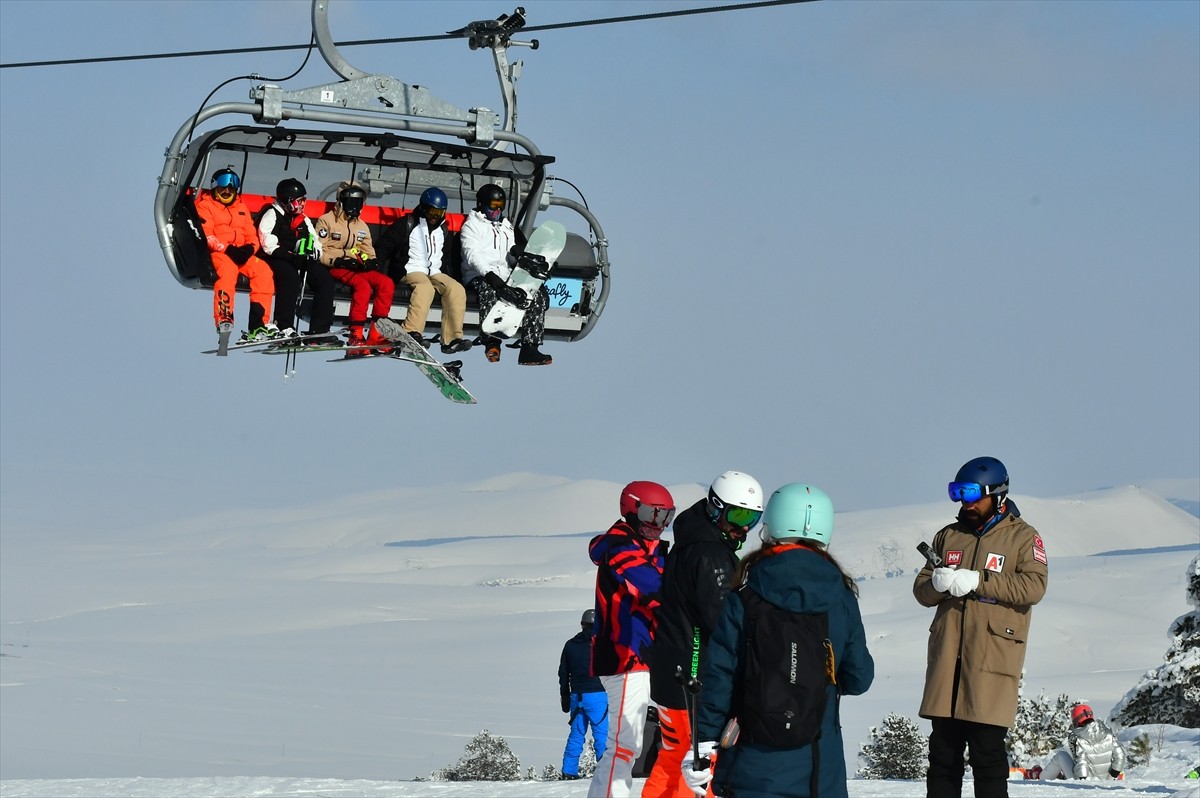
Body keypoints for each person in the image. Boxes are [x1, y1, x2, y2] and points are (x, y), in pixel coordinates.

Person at [687, 483, 875, 798]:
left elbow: (720, 675)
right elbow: (859, 679)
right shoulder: (841, 598)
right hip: (820, 771)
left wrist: (703, 743)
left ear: (771, 526)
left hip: (753, 767)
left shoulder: (745, 594)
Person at [913, 456, 1050, 798]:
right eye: (958, 493)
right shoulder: (948, 536)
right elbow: (921, 591)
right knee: (942, 758)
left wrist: (979, 580)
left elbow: (1034, 586)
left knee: (987, 758)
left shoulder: (1023, 537)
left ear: (997, 494)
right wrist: (937, 585)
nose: (966, 502)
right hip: (947, 666)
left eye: (973, 494)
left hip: (991, 664)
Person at [643, 471, 765, 798]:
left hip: (672, 672)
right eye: (738, 516)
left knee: (674, 758)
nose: (744, 528)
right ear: (715, 507)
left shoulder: (691, 540)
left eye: (753, 519)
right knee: (698, 764)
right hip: (694, 677)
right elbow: (723, 622)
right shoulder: (711, 556)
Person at [588, 481, 676, 798]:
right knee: (625, 744)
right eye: (652, 514)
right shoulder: (621, 548)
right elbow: (654, 588)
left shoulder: (649, 549)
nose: (658, 524)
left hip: (644, 655)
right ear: (632, 509)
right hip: (625, 654)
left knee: (638, 741)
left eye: (666, 517)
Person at [459, 183, 552, 366]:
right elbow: (472, 256)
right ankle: (491, 341)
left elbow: (508, 256)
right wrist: (491, 277)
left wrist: (520, 259)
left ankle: (529, 348)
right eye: (494, 205)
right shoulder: (472, 226)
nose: (497, 210)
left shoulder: (506, 226)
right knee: (489, 291)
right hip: (479, 275)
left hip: (504, 275)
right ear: (482, 204)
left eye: (501, 206)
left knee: (535, 295)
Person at [375, 187, 471, 354]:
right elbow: (384, 247)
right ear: (423, 208)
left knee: (456, 289)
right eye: (432, 212)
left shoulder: (443, 230)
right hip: (410, 269)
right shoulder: (407, 224)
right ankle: (411, 331)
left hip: (434, 271)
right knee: (425, 288)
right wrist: (377, 271)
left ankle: (451, 339)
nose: (435, 217)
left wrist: (450, 276)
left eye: (439, 213)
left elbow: (446, 258)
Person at [194, 167, 276, 343]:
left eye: (232, 187)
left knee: (263, 271)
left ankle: (259, 324)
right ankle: (224, 317)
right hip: (220, 253)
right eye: (223, 186)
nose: (227, 190)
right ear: (215, 187)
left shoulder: (241, 207)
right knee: (228, 271)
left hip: (241, 254)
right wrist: (228, 249)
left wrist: (249, 249)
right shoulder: (206, 206)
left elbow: (251, 234)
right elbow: (206, 235)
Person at [255, 178, 339, 346]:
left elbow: (315, 241)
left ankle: (319, 330)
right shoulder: (272, 214)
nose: (302, 204)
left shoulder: (303, 219)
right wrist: (291, 256)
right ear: (288, 200)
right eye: (299, 200)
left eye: (303, 200)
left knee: (324, 279)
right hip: (275, 258)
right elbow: (268, 243)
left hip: (299, 259)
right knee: (290, 277)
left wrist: (312, 252)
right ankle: (283, 325)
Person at [314, 183, 394, 357]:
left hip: (357, 265)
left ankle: (376, 334)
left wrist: (371, 262)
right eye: (352, 202)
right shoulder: (327, 221)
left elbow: (367, 249)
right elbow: (319, 250)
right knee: (363, 286)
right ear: (342, 201)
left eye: (359, 203)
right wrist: (339, 260)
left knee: (386, 284)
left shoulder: (361, 226)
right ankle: (355, 335)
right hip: (336, 265)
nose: (355, 207)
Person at [560, 609, 609, 780]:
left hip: (577, 696)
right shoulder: (602, 645)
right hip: (598, 695)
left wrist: (565, 697)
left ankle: (569, 771)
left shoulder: (570, 645)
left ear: (582, 624)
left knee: (576, 734)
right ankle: (605, 772)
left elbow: (563, 674)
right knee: (601, 735)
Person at [1039, 704, 1126, 781]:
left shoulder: (1077, 737)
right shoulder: (1107, 732)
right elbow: (1120, 755)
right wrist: (1114, 773)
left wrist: (1083, 780)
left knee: (1061, 756)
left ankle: (1041, 778)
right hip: (1107, 779)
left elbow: (1081, 762)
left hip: (1085, 781)